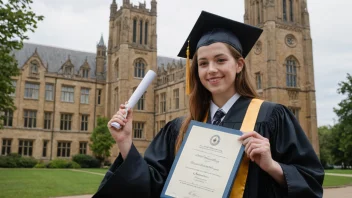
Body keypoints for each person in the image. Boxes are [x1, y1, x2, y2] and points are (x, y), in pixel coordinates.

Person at [93, 11, 324, 198]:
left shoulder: (271, 117)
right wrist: (125, 144)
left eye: (221, 60)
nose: (211, 69)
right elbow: (151, 187)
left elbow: (310, 183)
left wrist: (273, 166)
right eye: (203, 63)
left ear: (239, 64)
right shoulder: (179, 128)